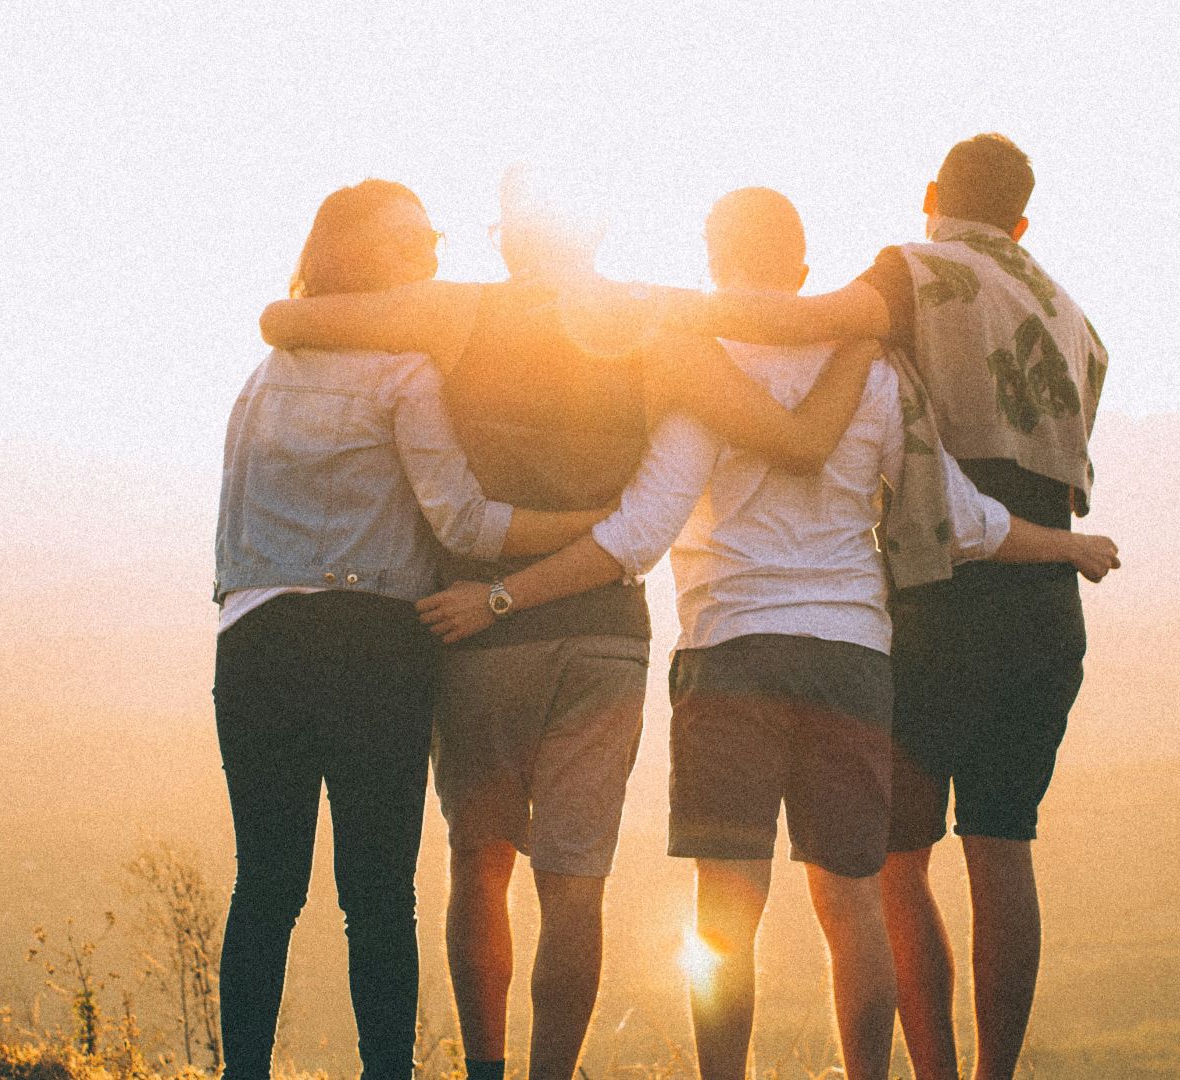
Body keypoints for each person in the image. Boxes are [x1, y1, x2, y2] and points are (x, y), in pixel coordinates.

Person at [416, 188, 1116, 1080]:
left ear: (714, 261)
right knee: (852, 902)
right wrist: (1069, 545)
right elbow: (961, 519)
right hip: (853, 657)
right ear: (801, 264)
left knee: (726, 912)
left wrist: (504, 597)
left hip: (729, 652)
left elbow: (638, 533)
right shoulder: (873, 368)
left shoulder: (701, 366)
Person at [255, 167, 876, 1080]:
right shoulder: (656, 323)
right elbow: (790, 433)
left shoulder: (453, 311)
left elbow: (284, 321)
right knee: (574, 883)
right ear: (597, 230)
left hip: (479, 628)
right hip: (605, 638)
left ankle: (487, 1072)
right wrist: (864, 327)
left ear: (509, 235)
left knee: (481, 865)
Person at [669, 135, 1112, 1080]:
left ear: (930, 197)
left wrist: (646, 311)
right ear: (1022, 220)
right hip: (1042, 597)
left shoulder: (915, 271)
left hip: (939, 594)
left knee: (894, 867)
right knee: (1003, 850)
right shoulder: (1071, 314)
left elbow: (805, 323)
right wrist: (1070, 546)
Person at [212, 179, 612, 1080]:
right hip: (371, 648)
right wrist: (590, 524)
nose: (429, 253)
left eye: (432, 234)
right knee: (378, 894)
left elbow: (235, 529)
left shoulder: (261, 377)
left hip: (254, 643)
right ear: (354, 254)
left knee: (265, 885)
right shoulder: (404, 373)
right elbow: (465, 526)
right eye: (407, 241)